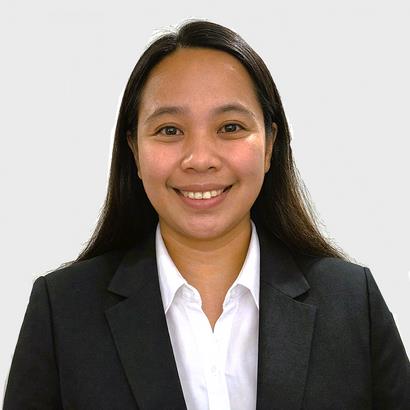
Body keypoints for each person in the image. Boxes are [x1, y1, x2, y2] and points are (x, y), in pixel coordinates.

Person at [3, 19, 409, 410]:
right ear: (135, 150)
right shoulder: (62, 312)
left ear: (270, 145)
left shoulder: (352, 303)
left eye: (230, 127)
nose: (200, 159)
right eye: (170, 130)